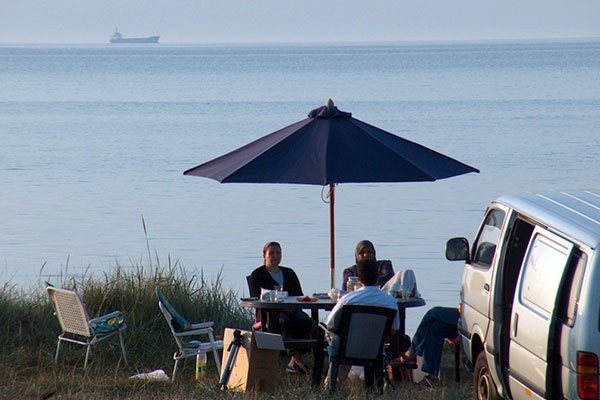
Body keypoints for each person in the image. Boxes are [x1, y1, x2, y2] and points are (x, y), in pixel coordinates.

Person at [325, 258, 400, 388]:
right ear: (377, 277)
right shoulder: (390, 302)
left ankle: (332, 385)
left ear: (359, 279)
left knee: (336, 339)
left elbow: (330, 325)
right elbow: (393, 330)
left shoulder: (348, 300)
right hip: (375, 349)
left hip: (348, 349)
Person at [248, 241, 313, 373]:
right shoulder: (257, 275)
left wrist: (292, 307)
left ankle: (293, 362)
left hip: (293, 309)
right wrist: (282, 309)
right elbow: (257, 299)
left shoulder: (289, 273)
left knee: (304, 320)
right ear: (264, 255)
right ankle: (297, 360)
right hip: (268, 314)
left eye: (278, 253)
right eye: (271, 253)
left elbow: (298, 295)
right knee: (284, 322)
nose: (275, 256)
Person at [398, 306, 460, 382]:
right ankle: (432, 375)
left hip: (469, 314)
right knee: (435, 328)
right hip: (466, 313)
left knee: (433, 312)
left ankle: (411, 353)